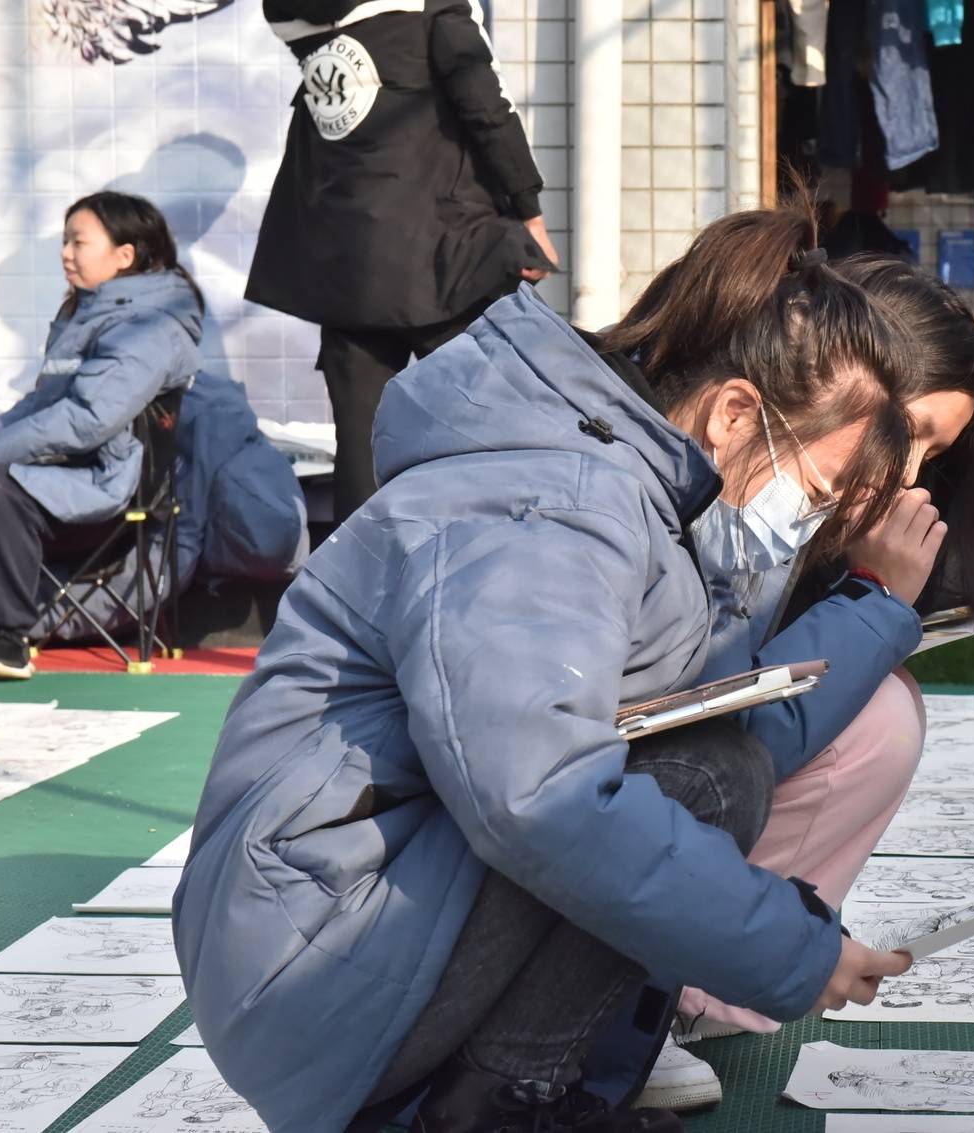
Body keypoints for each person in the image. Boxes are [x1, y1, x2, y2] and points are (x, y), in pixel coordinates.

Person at [171, 200, 924, 1133]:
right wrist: (792, 950)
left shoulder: (627, 494)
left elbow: (731, 719)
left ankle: (514, 1091)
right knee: (704, 779)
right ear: (735, 414)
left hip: (337, 920)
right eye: (813, 489)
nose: (804, 523)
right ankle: (493, 1104)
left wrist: (870, 615)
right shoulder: (552, 502)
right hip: (308, 965)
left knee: (715, 767)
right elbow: (539, 795)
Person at [604, 256, 974, 1111]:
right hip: (561, 838)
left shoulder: (791, 498)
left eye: (934, 451)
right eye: (906, 430)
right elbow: (730, 737)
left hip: (625, 809)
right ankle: (649, 992)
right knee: (757, 759)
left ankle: (688, 985)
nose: (909, 474)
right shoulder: (718, 494)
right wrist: (875, 599)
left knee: (878, 709)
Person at [247, 0, 560, 524]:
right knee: (483, 425)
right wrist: (529, 215)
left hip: (349, 265)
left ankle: (359, 572)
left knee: (361, 446)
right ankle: (482, 561)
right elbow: (485, 104)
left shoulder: (290, 16)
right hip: (449, 253)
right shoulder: (432, 8)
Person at [0, 192, 203, 680]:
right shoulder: (83, 314)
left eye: (78, 242)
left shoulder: (151, 327)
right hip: (52, 472)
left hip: (104, 487)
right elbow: (40, 407)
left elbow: (85, 420)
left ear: (124, 255)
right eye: (64, 241)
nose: (65, 254)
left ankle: (8, 638)